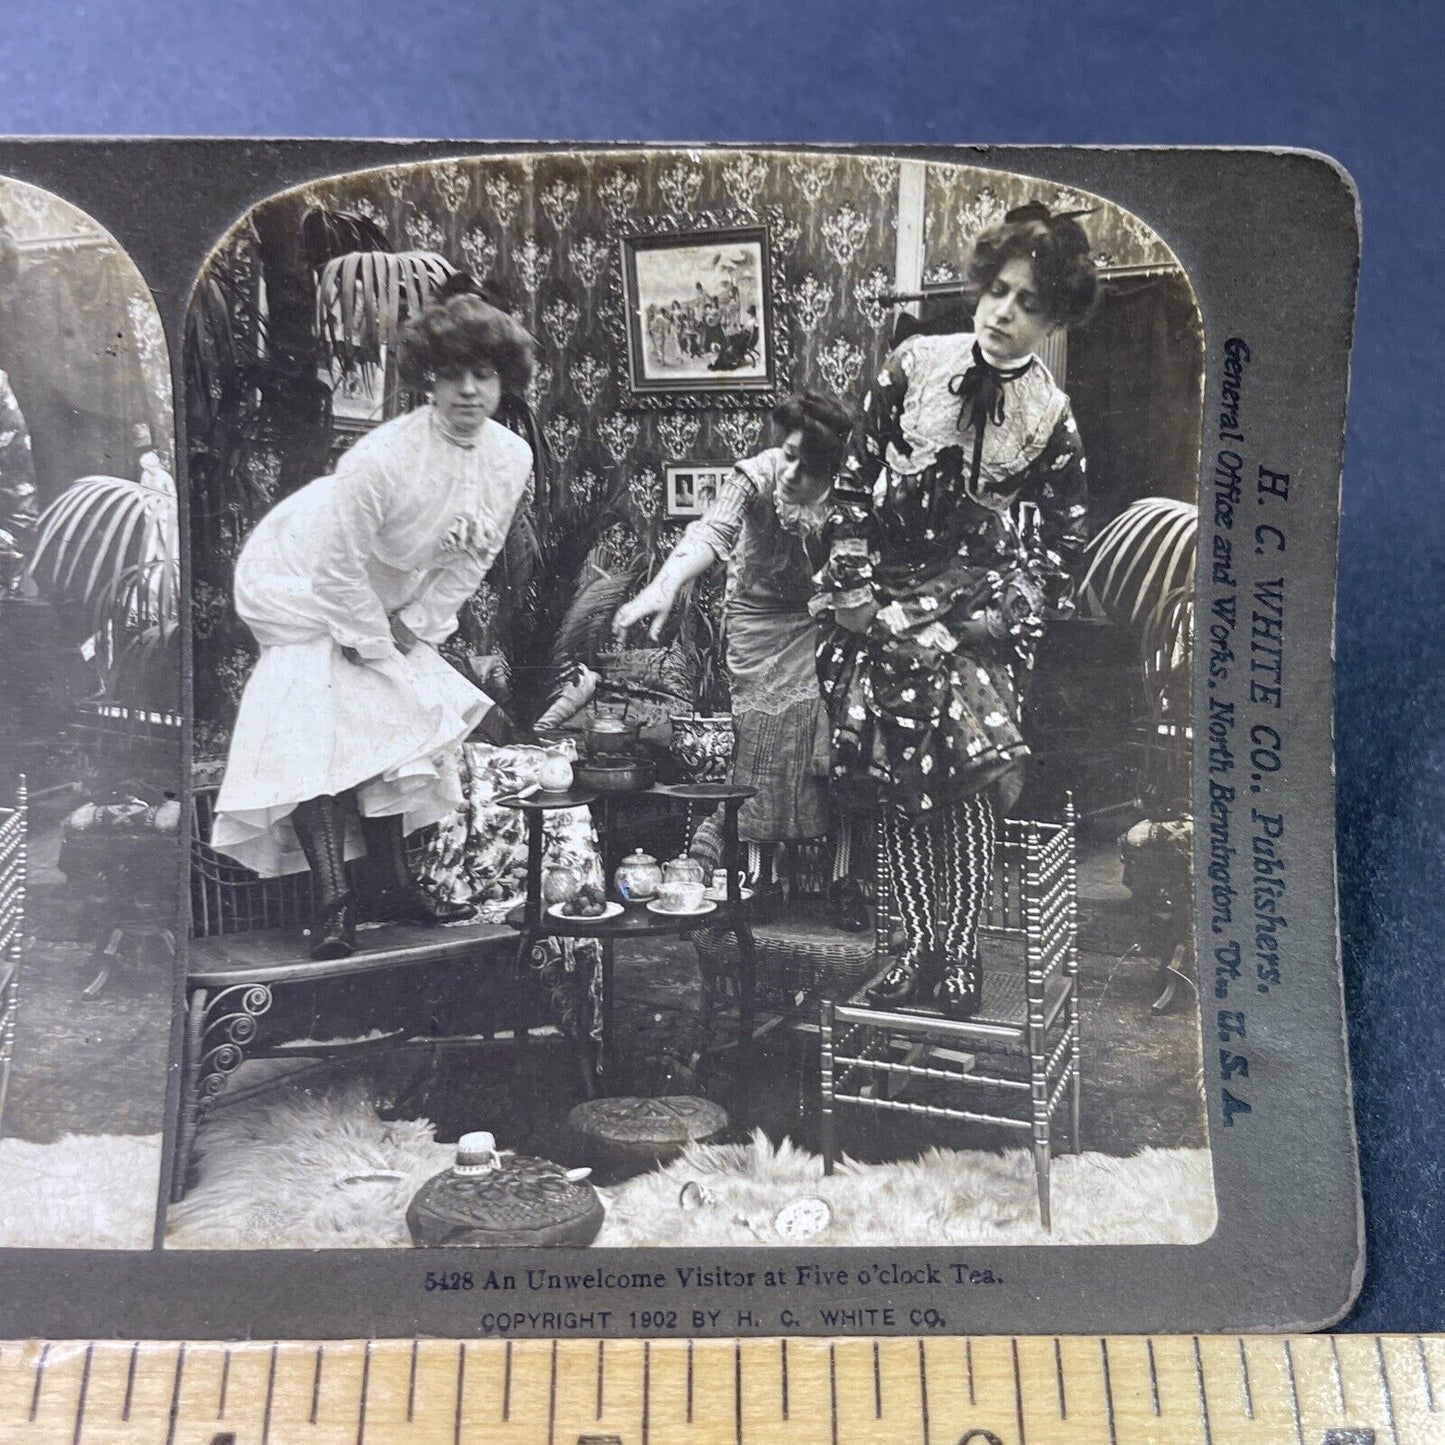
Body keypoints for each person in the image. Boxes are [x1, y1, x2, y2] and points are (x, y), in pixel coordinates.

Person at [813, 201, 1097, 1017]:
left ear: (1053, 319)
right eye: (998, 291)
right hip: (882, 612)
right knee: (897, 788)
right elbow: (848, 489)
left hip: (975, 623)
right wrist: (856, 589)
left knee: (967, 791)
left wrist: (998, 614)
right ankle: (906, 953)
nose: (1003, 313)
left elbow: (1058, 547)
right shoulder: (911, 365)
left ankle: (960, 957)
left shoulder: (1050, 417)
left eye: (1029, 304)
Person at [210, 274, 535, 960]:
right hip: (298, 569)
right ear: (429, 382)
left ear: (504, 382)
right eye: (453, 377)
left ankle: (391, 884)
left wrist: (415, 624)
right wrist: (365, 635)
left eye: (483, 376)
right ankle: (334, 905)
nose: (469, 393)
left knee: (389, 718)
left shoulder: (511, 458)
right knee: (317, 719)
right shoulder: (381, 456)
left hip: (391, 586)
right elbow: (334, 568)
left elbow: (473, 558)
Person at [613, 389, 867, 921]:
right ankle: (761, 876)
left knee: (830, 738)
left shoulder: (851, 497)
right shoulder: (757, 476)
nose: (792, 472)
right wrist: (665, 583)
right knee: (763, 747)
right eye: (790, 453)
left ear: (834, 467)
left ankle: (844, 879)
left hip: (823, 619)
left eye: (808, 464)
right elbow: (712, 530)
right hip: (756, 625)